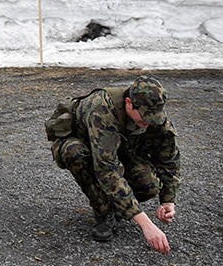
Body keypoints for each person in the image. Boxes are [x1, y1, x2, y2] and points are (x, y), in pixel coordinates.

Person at [51, 75, 180, 253]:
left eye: (153, 118)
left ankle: (121, 204)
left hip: (119, 148)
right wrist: (146, 224)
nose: (148, 123)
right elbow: (107, 170)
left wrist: (168, 200)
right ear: (128, 102)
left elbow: (168, 158)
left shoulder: (152, 115)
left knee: (149, 184)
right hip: (86, 145)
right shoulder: (101, 109)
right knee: (75, 153)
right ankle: (104, 211)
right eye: (144, 118)